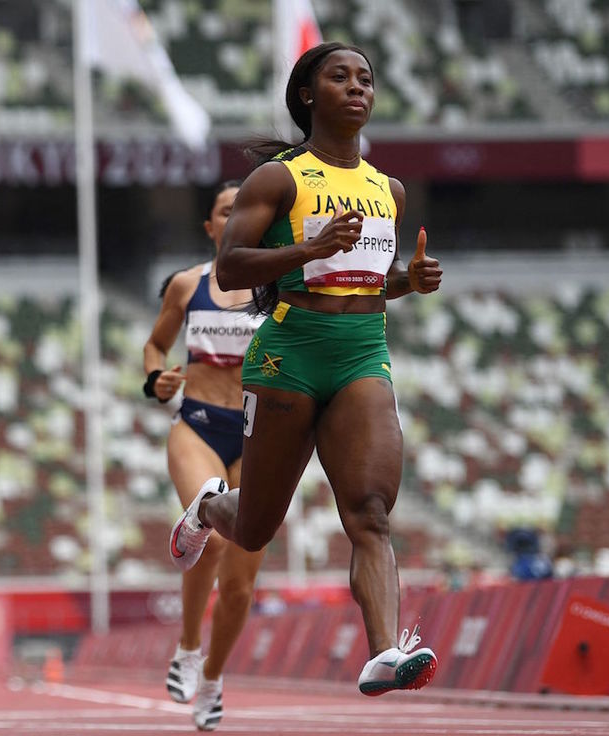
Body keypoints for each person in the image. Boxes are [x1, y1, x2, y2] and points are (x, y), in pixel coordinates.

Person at [168, 41, 443, 697]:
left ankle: (383, 652)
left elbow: (363, 284)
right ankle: (209, 510)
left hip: (361, 354)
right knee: (257, 526)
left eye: (366, 78)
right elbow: (231, 270)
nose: (357, 87)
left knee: (371, 513)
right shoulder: (279, 180)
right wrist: (307, 247)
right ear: (306, 96)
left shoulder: (389, 190)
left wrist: (411, 280)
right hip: (288, 355)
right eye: (339, 76)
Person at [144, 180, 267, 730]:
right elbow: (155, 344)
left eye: (246, 209)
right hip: (196, 423)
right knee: (210, 530)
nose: (236, 217)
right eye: (226, 210)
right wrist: (156, 379)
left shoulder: (279, 286)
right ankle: (189, 646)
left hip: (262, 437)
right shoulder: (185, 284)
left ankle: (213, 680)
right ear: (213, 227)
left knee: (241, 587)